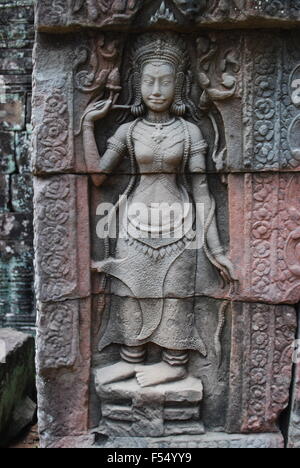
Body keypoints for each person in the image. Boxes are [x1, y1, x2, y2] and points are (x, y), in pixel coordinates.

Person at [83, 33, 235, 388]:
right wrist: (88, 125)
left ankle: (174, 363)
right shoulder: (128, 129)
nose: (156, 89)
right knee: (128, 291)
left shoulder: (189, 131)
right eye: (148, 81)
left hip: (180, 228)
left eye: (165, 81)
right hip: (133, 227)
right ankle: (130, 357)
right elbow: (98, 177)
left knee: (175, 295)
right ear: (137, 85)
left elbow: (202, 191)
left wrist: (216, 250)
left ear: (178, 86)